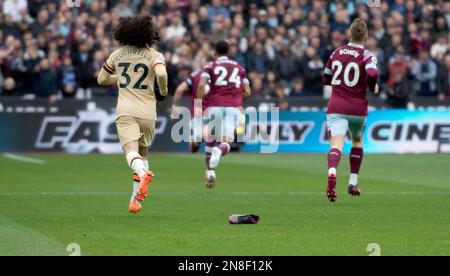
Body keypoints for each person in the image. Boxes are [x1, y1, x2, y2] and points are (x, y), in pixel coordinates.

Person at [97, 15, 168, 214]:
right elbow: (161, 74)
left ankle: (143, 173)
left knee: (130, 152)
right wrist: (162, 91)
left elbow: (101, 79)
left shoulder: (117, 55)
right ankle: (135, 200)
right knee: (142, 153)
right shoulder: (155, 55)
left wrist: (120, 77)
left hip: (126, 110)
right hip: (148, 112)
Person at [322, 18, 379, 203]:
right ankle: (353, 182)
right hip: (357, 109)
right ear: (366, 36)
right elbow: (372, 73)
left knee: (336, 144)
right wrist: (373, 86)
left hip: (337, 106)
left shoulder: (336, 52)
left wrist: (339, 85)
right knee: (357, 140)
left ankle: (332, 172)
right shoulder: (367, 55)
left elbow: (326, 78)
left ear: (349, 34)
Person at [197, 41, 251, 188]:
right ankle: (219, 152)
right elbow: (248, 91)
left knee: (211, 137)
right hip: (233, 107)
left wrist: (198, 104)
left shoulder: (210, 66)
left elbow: (202, 85)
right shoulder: (239, 67)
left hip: (214, 106)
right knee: (226, 141)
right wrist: (238, 99)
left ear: (216, 52)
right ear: (229, 52)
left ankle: (211, 173)